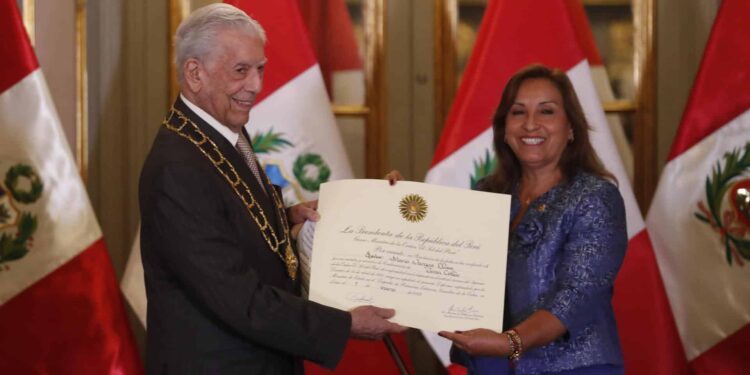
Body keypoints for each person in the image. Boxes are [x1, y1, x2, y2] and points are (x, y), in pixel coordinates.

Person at [139, 4, 404, 374]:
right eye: (240, 71)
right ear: (195, 73)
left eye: (259, 69)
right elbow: (238, 298)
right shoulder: (178, 167)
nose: (256, 86)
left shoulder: (217, 132)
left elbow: (228, 218)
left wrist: (284, 216)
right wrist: (345, 324)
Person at [387, 64, 627, 374]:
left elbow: (578, 294)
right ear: (504, 128)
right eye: (518, 112)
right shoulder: (488, 192)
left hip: (572, 368)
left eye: (547, 111)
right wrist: (397, 207)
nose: (530, 124)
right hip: (492, 366)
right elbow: (443, 259)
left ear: (571, 129)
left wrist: (510, 343)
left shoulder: (595, 197)